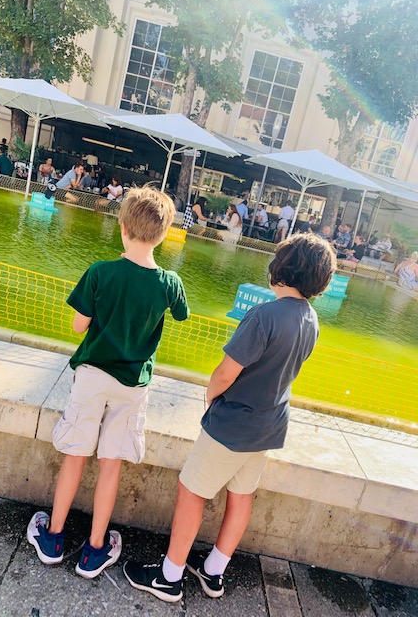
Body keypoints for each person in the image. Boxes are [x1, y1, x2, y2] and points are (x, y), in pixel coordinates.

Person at [123, 233, 336, 603]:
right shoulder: (311, 320)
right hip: (269, 425)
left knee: (192, 491)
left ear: (282, 268)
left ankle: (169, 577)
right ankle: (213, 570)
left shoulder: (264, 315)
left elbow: (226, 373)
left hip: (233, 423)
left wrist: (210, 398)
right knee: (241, 496)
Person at [26, 185, 190, 578]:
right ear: (163, 234)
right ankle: (95, 549)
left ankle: (53, 536)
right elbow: (182, 313)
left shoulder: (100, 271)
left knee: (76, 454)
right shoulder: (170, 282)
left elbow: (78, 324)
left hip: (92, 375)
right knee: (111, 464)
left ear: (123, 227)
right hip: (133, 384)